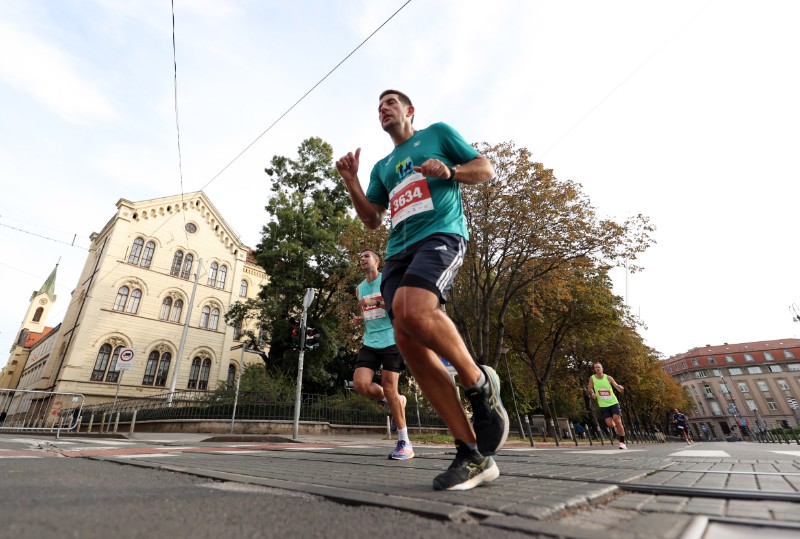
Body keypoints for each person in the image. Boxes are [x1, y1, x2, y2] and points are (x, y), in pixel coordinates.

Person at [336, 90, 509, 491]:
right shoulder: (382, 166)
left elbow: (485, 169)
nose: (383, 108)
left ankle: (480, 383)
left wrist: (451, 173)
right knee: (407, 338)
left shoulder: (438, 134)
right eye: (378, 105)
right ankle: (472, 454)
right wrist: (352, 182)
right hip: (398, 251)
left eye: (391, 102)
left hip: (441, 235)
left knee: (413, 310)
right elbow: (373, 219)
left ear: (409, 111)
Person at [352, 248, 413, 460]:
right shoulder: (359, 288)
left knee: (389, 387)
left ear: (376, 261)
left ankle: (404, 442)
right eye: (361, 257)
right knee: (360, 384)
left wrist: (376, 302)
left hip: (391, 339)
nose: (362, 259)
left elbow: (398, 306)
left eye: (366, 256)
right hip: (370, 341)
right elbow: (367, 312)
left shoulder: (387, 280)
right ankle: (396, 400)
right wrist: (361, 318)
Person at [587, 362, 627, 449]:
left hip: (613, 402)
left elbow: (616, 386)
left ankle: (622, 442)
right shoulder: (592, 378)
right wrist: (593, 394)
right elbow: (590, 389)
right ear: (594, 369)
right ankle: (616, 428)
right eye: (595, 368)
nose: (597, 369)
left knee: (617, 420)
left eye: (599, 367)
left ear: (602, 368)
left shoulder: (608, 377)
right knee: (609, 424)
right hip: (603, 404)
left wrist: (620, 388)